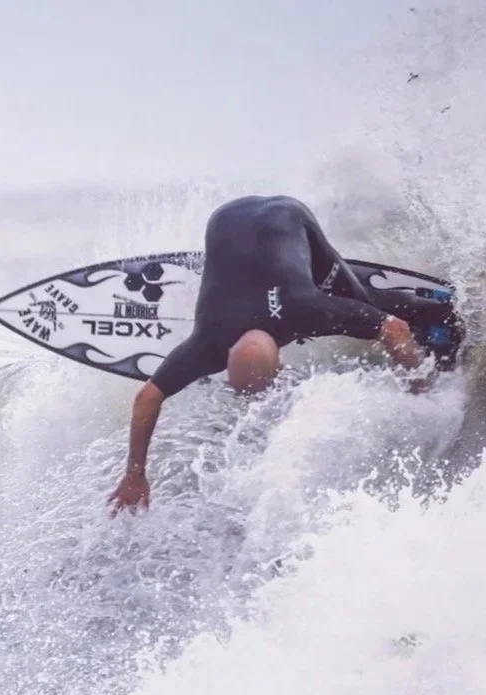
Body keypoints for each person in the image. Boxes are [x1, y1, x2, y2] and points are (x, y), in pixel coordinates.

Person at [108, 195, 459, 512]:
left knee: (364, 305)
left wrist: (419, 386)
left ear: (277, 365)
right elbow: (146, 398)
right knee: (352, 312)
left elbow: (393, 328)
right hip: (226, 216)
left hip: (289, 216)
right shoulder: (207, 341)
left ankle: (435, 311)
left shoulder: (306, 311)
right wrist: (134, 474)